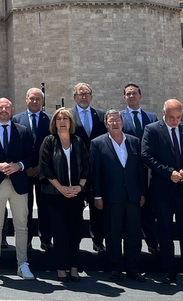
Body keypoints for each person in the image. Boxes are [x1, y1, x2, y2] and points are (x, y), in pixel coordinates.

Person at [141, 99, 183, 286]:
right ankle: (169, 270)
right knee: (164, 230)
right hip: (163, 188)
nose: (175, 121)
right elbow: (146, 155)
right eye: (171, 117)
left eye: (178, 117)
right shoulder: (152, 129)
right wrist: (168, 172)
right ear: (164, 113)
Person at [0, 97, 35, 281]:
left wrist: (19, 165)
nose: (3, 110)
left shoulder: (23, 131)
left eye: (7, 107)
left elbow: (32, 156)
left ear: (12, 109)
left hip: (18, 183)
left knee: (21, 225)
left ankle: (22, 263)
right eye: (0, 107)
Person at [90, 109, 146, 283]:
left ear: (123, 122)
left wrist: (142, 192)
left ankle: (132, 267)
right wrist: (97, 195)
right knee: (113, 233)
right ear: (106, 123)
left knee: (133, 233)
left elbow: (140, 171)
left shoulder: (135, 142)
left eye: (117, 120)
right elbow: (95, 172)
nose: (115, 123)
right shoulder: (97, 143)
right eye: (111, 120)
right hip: (111, 196)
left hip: (133, 195)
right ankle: (116, 267)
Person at [39, 107, 88, 283]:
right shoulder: (49, 141)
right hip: (55, 195)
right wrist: (61, 188)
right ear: (54, 122)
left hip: (75, 195)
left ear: (70, 122)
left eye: (65, 119)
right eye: (59, 119)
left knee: (75, 232)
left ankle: (74, 268)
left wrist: (79, 187)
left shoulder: (78, 141)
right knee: (60, 234)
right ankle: (61, 269)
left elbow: (86, 167)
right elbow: (46, 168)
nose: (62, 122)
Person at [119, 83, 159, 254]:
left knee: (149, 209)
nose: (131, 96)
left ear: (140, 96)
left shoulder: (151, 117)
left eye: (134, 93)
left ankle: (152, 243)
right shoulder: (118, 118)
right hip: (128, 171)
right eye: (128, 94)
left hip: (148, 170)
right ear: (124, 98)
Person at [12, 87, 52, 250]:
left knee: (45, 207)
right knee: (24, 208)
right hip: (23, 171)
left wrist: (39, 167)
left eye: (38, 99)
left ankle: (45, 238)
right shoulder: (16, 119)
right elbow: (13, 146)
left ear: (42, 102)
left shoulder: (50, 119)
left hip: (44, 171)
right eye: (32, 98)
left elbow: (51, 147)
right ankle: (26, 239)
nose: (35, 101)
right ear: (26, 99)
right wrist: (26, 166)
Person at [70, 82, 107, 253]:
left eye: (87, 94)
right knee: (75, 207)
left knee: (97, 207)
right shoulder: (67, 116)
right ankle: (74, 241)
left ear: (91, 96)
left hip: (97, 169)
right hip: (75, 170)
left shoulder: (100, 115)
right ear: (74, 97)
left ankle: (98, 240)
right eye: (80, 94)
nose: (84, 97)